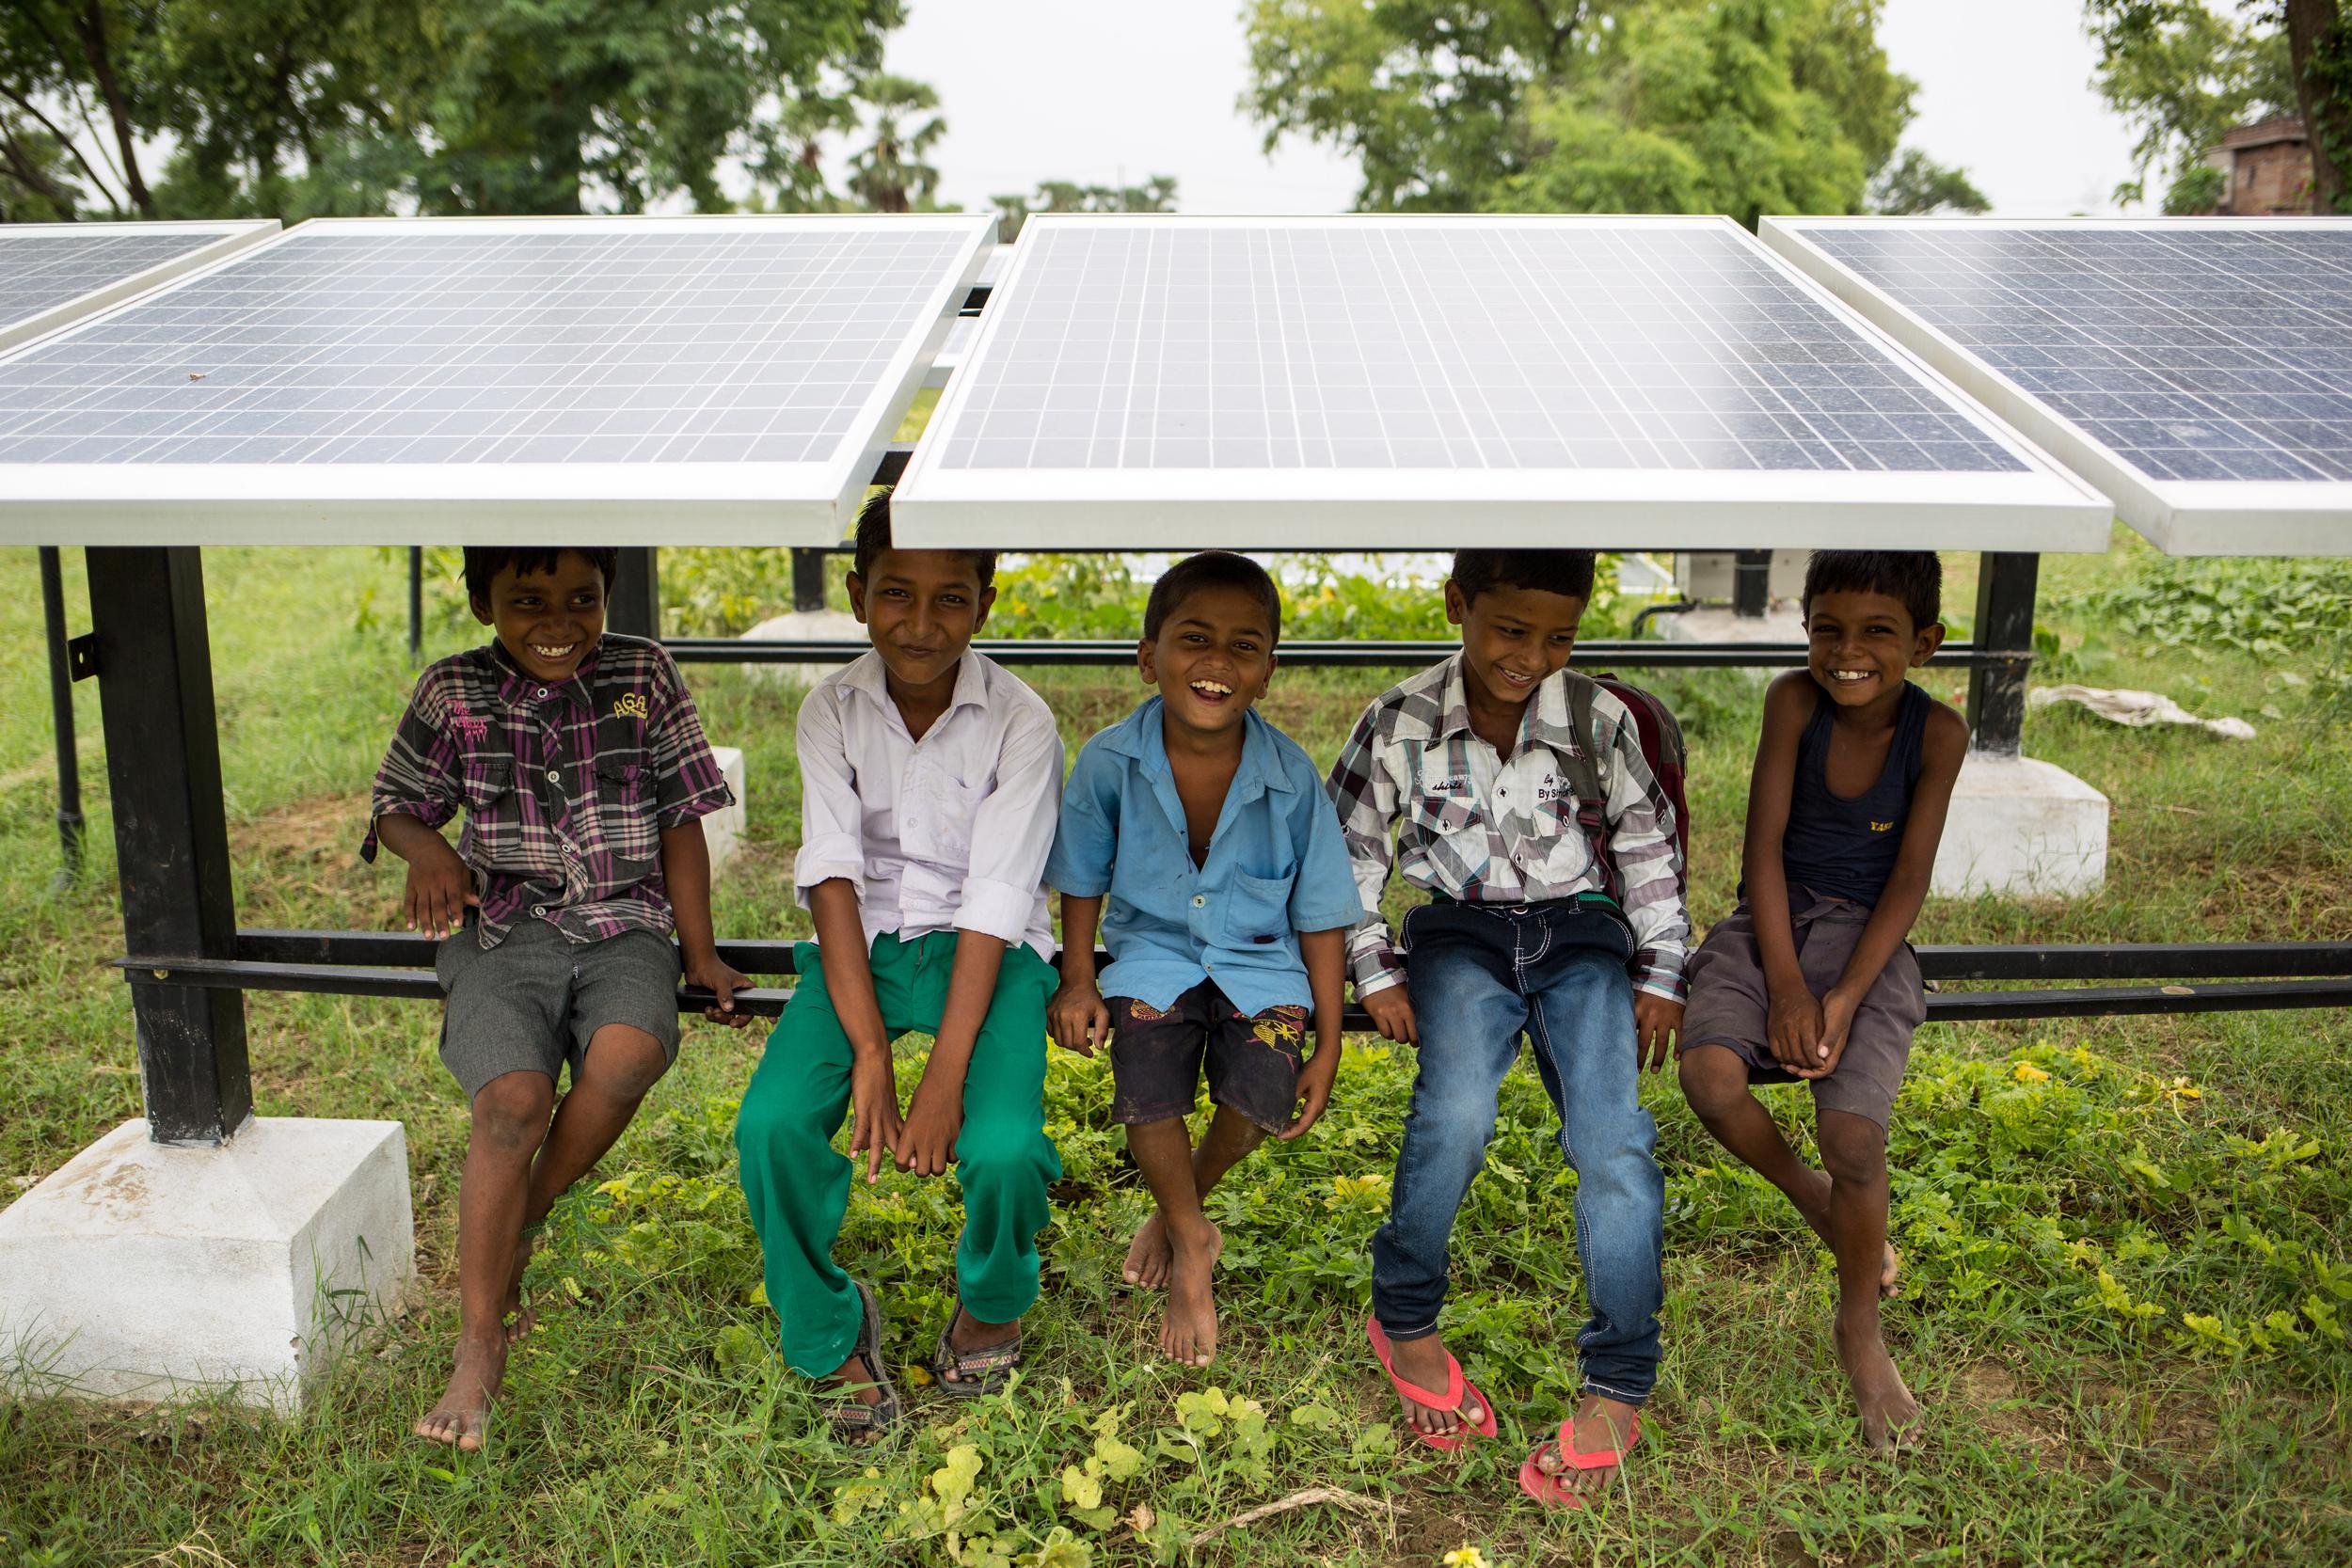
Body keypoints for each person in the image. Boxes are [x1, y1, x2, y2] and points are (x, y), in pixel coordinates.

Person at [366, 545, 749, 1452]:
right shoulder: (453, 688)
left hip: (626, 923)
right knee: (511, 1102)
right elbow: (396, 801)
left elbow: (682, 814)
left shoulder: (642, 672)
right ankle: (479, 1340)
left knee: (629, 1052)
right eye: (526, 599)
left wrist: (700, 951)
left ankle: (526, 1214)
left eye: (583, 598)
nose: (559, 622)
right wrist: (431, 852)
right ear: (479, 599)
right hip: (503, 926)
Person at [1327, 548, 1688, 1508]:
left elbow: (1649, 848)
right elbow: (1347, 857)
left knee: (1615, 1142)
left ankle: (1618, 1377)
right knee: (1455, 1112)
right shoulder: (1397, 718)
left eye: (1558, 636)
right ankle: (1404, 1315)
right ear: (1457, 605)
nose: (1530, 655)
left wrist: (1659, 969)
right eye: (1509, 630)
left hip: (1582, 938)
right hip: (1457, 937)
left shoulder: (1599, 719)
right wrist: (1373, 969)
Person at [733, 488, 1063, 1443]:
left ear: (985, 604)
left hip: (988, 955)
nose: (920, 624)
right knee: (771, 1126)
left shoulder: (1021, 720)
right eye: (894, 594)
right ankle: (827, 1324)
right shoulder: (830, 709)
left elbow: (996, 901)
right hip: (862, 952)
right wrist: (874, 1054)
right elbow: (832, 879)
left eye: (950, 598)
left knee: (1000, 1146)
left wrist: (942, 1081)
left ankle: (991, 1300)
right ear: (856, 592)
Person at [1677, 549, 1964, 1453]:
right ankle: (1812, 1198)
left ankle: (1858, 1328)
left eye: (1877, 631)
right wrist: (1789, 983)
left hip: (1870, 942)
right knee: (1712, 1077)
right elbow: (1760, 852)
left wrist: (1841, 997)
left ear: (1924, 641)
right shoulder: (1792, 702)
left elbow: (1909, 880)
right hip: (1771, 921)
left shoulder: (1940, 733)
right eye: (1826, 628)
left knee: (1854, 1137)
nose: (1847, 650)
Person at [1045, 551, 1360, 1369]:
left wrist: (1326, 1038)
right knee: (1146, 1079)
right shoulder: (1110, 762)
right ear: (1148, 656)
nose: (1217, 663)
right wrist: (1079, 976)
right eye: (1194, 639)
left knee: (1262, 1094)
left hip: (1262, 965)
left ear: (1268, 672)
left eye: (1243, 647)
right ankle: (1194, 1243)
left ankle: (1177, 1212)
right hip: (1151, 957)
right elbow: (1079, 879)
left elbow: (1323, 915)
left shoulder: (1291, 778)